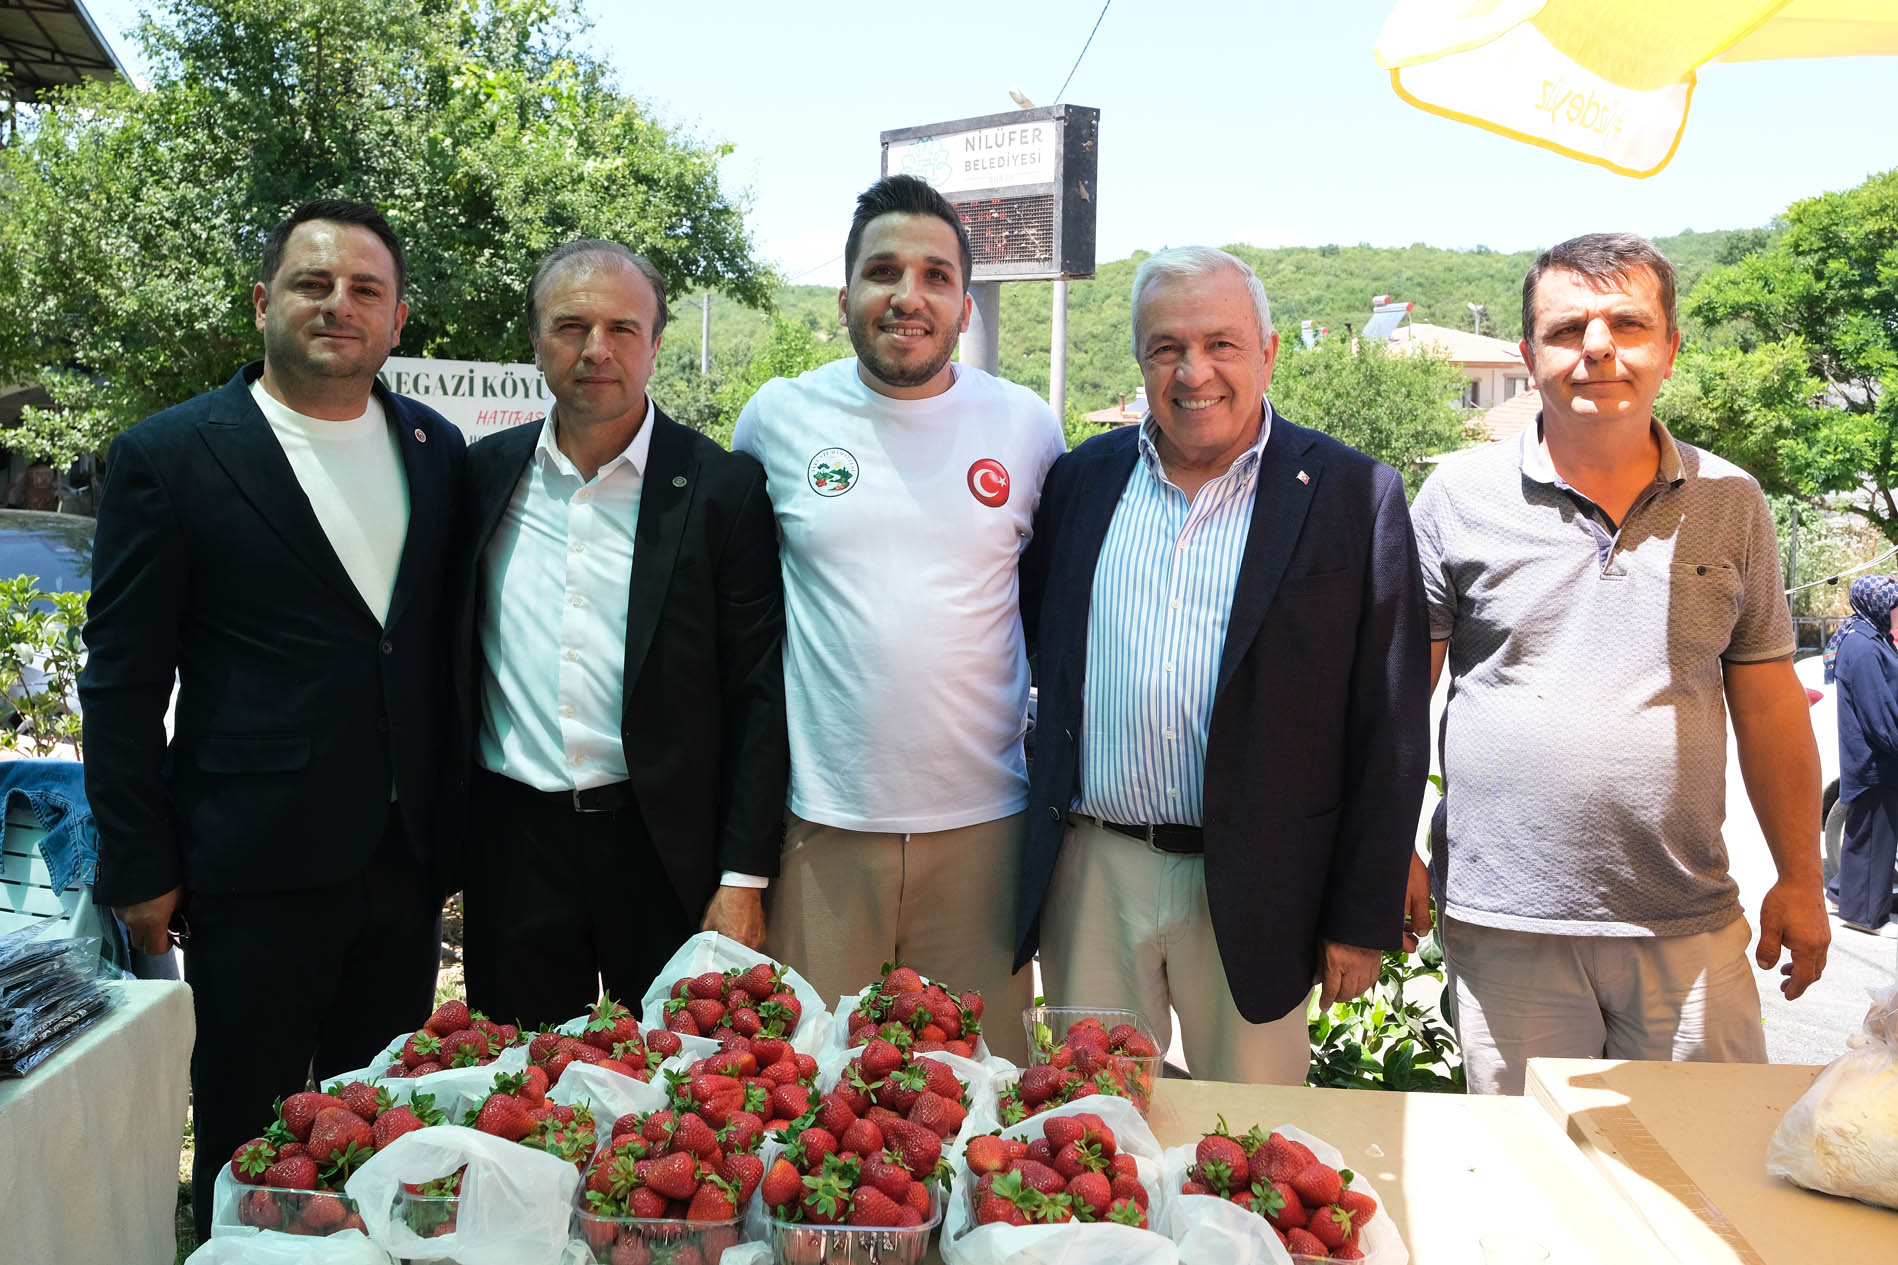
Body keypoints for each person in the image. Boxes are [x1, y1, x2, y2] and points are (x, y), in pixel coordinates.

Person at [82, 199, 465, 1237]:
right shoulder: (172, 454)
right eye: (312, 283)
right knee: (249, 1139)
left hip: (400, 867)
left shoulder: (435, 447)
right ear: (263, 302)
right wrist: (138, 862)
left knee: (379, 1130)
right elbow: (120, 682)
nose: (339, 304)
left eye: (366, 289)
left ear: (397, 320)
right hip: (248, 867)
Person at [1408, 232, 1832, 1095]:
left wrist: (1801, 876)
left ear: (1669, 349)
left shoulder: (1732, 501)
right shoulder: (1456, 496)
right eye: (1567, 329)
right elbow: (1393, 698)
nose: (1597, 348)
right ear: (1528, 356)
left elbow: (1769, 707)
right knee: (1530, 1167)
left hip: (1686, 920)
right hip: (1507, 924)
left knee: (1707, 1164)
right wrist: (1385, 847)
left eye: (1627, 324)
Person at [1015, 247, 1432, 1084]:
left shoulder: (1354, 494)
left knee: (1251, 1131)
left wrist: (1359, 914)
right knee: (1089, 1125)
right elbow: (1037, 648)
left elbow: (1387, 722)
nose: (1192, 371)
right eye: (1166, 347)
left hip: (1261, 879)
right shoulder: (1079, 482)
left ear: (1268, 352)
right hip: (1094, 871)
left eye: (1220, 344)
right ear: (1140, 360)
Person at [732, 176, 1063, 1062]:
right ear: (845, 296)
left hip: (986, 831)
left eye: (935, 275)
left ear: (964, 307)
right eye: (883, 271)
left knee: (980, 1091)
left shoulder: (1027, 426)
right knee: (816, 1086)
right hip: (824, 830)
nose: (908, 295)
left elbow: (1048, 608)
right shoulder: (777, 418)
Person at [452, 240, 786, 1030]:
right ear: (536, 341)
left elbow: (758, 692)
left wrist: (743, 875)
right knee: (519, 1076)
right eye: (570, 326)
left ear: (656, 343)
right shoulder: (481, 475)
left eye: (622, 328)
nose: (596, 349)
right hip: (515, 846)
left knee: (678, 1078)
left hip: (665, 847)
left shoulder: (723, 489)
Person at [1825, 576, 1898, 936]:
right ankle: (1862, 916)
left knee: (1868, 838)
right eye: (1894, 606)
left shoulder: (1870, 637)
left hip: (1876, 760)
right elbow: (1879, 716)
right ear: (1878, 607)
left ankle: (1846, 895)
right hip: (1874, 763)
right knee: (1871, 839)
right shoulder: (1864, 647)